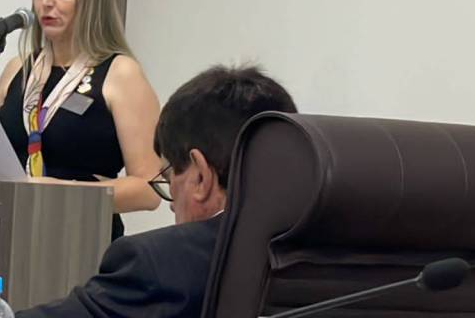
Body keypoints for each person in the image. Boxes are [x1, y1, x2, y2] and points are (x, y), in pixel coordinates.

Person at [16, 64, 298, 318]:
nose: (172, 205)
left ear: (201, 177)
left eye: (168, 178)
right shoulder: (320, 249)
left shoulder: (161, 265)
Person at [0, 0, 164, 237]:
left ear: (90, 0)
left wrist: (65, 192)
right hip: (11, 232)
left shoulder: (121, 73)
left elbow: (149, 189)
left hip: (81, 237)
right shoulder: (18, 68)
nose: (46, 2)